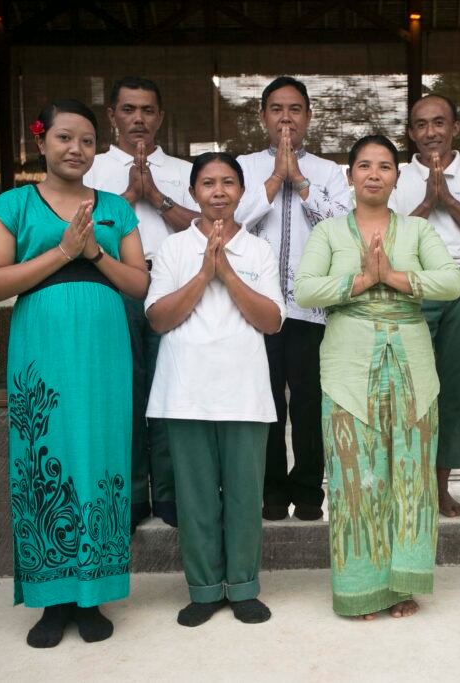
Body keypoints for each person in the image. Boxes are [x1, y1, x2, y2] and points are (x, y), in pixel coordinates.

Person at [0, 99, 149, 647]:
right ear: (41, 142)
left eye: (87, 141)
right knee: (43, 454)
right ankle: (52, 601)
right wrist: (63, 251)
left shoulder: (117, 209)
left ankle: (94, 595)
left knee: (100, 453)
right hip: (41, 345)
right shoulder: (11, 205)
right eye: (64, 138)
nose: (76, 149)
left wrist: (93, 252)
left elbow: (139, 284)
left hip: (105, 347)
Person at [295, 135, 460, 619]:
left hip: (412, 362)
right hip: (348, 364)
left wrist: (393, 277)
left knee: (410, 474)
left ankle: (402, 585)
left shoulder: (417, 230)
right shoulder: (329, 232)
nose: (374, 174)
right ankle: (361, 588)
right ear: (349, 176)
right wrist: (363, 281)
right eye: (364, 165)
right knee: (355, 475)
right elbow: (305, 290)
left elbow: (451, 282)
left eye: (384, 166)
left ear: (397, 176)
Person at [146, 152, 284, 627]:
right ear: (192, 192)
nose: (219, 191)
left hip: (244, 390)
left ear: (242, 192)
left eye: (228, 182)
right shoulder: (172, 249)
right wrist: (205, 273)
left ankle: (243, 588)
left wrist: (227, 272)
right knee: (196, 497)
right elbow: (158, 318)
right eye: (208, 183)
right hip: (185, 389)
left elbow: (271, 321)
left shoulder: (258, 251)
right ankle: (204, 590)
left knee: (245, 497)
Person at [85, 76, 200, 533]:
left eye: (147, 110)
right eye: (128, 109)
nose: (138, 119)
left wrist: (156, 196)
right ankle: (131, 495)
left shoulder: (183, 171)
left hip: (172, 287)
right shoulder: (92, 169)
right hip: (112, 285)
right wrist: (130, 197)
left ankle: (170, 494)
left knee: (171, 389)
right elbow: (80, 232)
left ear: (161, 117)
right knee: (124, 390)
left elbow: (205, 227)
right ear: (111, 115)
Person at [235, 76, 352, 522]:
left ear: (309, 116)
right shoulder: (243, 167)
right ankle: (270, 488)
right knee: (264, 402)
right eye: (277, 109)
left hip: (311, 307)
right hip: (257, 305)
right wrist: (272, 182)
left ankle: (307, 490)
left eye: (295, 109)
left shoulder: (328, 172)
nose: (286, 118)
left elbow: (341, 227)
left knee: (308, 403)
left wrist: (300, 182)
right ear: (262, 116)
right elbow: (233, 222)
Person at [389, 94, 460, 518]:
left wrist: (449, 201)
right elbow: (389, 239)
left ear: (455, 127)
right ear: (410, 133)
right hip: (412, 286)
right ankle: (408, 484)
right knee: (409, 388)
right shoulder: (397, 177)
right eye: (421, 125)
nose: (430, 132)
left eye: (439, 123)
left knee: (454, 389)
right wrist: (427, 202)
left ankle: (441, 487)